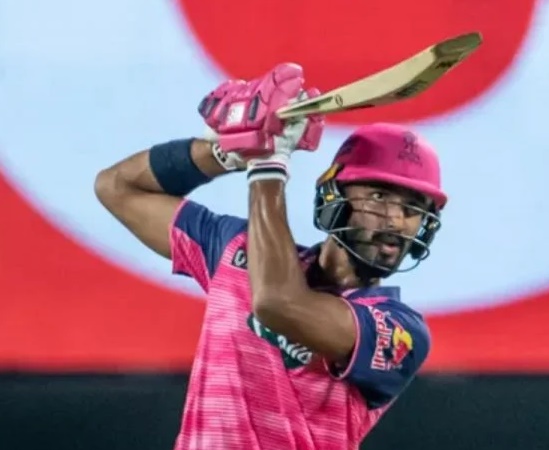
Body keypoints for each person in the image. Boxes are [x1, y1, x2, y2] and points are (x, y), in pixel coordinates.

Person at [94, 63, 446, 450]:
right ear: (334, 197)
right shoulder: (238, 249)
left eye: (413, 209)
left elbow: (277, 303)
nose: (396, 220)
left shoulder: (399, 331)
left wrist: (267, 164)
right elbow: (117, 188)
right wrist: (226, 152)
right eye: (379, 197)